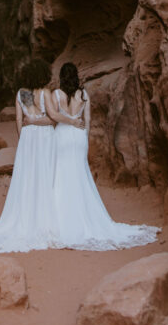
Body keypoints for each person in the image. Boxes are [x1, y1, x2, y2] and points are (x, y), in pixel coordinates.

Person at [46, 62, 159, 250]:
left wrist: (68, 122)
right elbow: (87, 120)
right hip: (79, 136)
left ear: (61, 76)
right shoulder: (84, 95)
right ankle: (85, 217)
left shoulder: (56, 95)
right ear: (75, 76)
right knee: (79, 175)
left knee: (61, 175)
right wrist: (84, 138)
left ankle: (61, 221)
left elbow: (55, 118)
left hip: (63, 135)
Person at [0, 58, 59, 252]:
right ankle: (48, 217)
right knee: (46, 173)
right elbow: (51, 118)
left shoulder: (22, 93)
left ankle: (27, 214)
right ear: (44, 75)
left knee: (29, 176)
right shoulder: (45, 94)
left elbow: (19, 118)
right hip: (44, 137)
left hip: (28, 138)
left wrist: (23, 135)